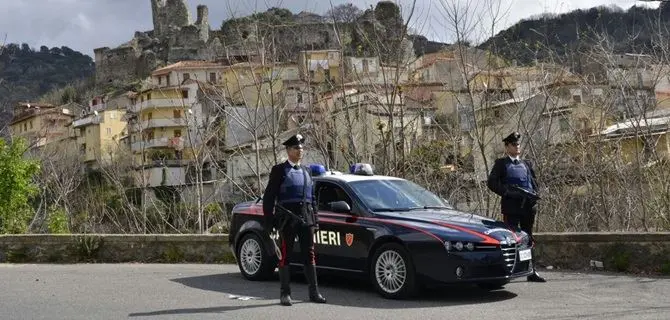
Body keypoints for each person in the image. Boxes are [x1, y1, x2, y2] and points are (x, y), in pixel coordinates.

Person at [262, 133, 327, 306]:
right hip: (287, 218)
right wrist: (269, 222)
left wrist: (316, 220)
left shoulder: (307, 171)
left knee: (309, 254)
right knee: (285, 255)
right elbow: (269, 197)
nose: (300, 150)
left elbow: (312, 198)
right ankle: (285, 294)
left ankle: (314, 292)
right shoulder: (279, 170)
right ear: (289, 150)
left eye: (301, 148)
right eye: (297, 148)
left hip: (305, 217)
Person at [487, 131, 547, 283]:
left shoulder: (526, 164)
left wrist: (534, 195)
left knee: (528, 238)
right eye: (514, 144)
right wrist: (507, 192)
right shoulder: (501, 164)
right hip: (512, 207)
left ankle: (531, 270)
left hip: (527, 206)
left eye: (518, 144)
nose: (517, 146)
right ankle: (511, 270)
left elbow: (533, 183)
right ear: (507, 147)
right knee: (511, 239)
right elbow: (492, 183)